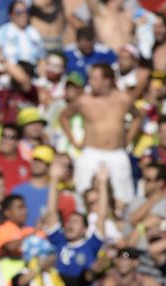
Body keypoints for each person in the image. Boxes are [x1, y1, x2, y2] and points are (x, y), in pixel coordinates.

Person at [61, 63, 139, 207]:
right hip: (91, 152)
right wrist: (74, 141)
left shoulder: (123, 99)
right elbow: (64, 116)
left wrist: (127, 139)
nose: (90, 82)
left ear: (107, 80)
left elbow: (137, 117)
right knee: (83, 193)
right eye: (90, 78)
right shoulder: (84, 100)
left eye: (95, 79)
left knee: (123, 196)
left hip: (116, 153)